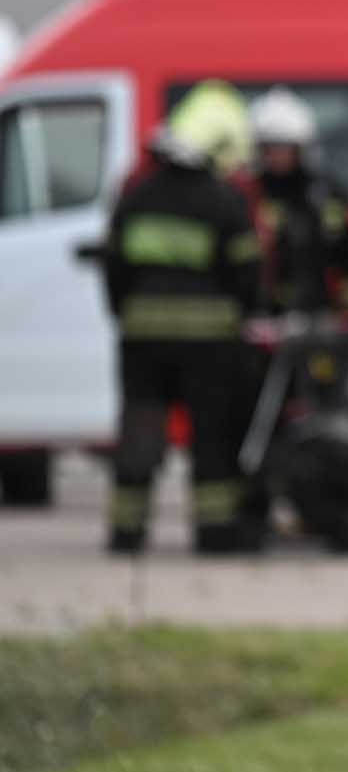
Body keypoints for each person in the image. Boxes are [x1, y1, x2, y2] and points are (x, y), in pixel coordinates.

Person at [101, 81, 264, 553]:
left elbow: (113, 268)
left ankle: (126, 533)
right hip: (210, 342)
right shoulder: (225, 200)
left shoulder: (135, 195)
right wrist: (239, 317)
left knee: (140, 431)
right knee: (210, 435)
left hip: (142, 337)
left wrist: (125, 315)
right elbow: (247, 273)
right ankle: (215, 534)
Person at [250, 86, 348, 317]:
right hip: (267, 317)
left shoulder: (327, 195)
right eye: (271, 147)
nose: (278, 155)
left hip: (322, 315)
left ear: (300, 148)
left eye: (285, 147)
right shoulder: (249, 195)